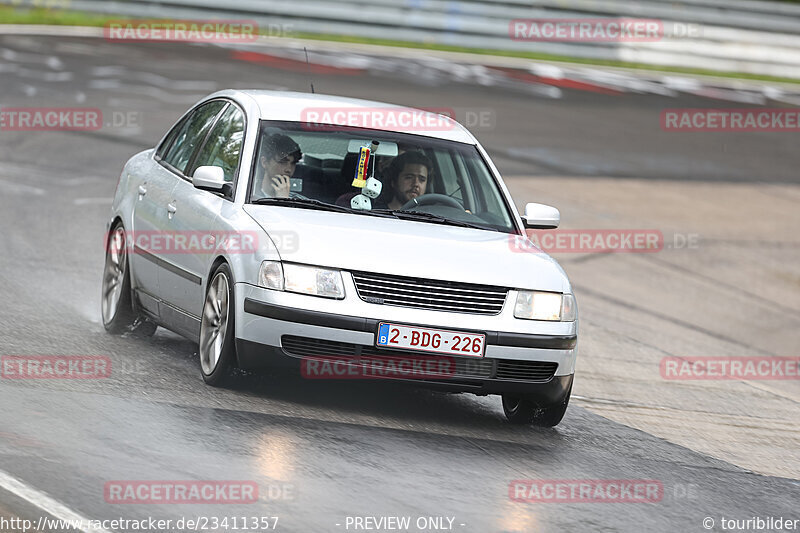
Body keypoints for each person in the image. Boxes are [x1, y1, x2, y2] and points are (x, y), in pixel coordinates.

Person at [256, 133, 302, 198]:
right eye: (282, 162)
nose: (289, 169)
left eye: (293, 163)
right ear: (264, 162)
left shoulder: (301, 202)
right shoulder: (247, 197)